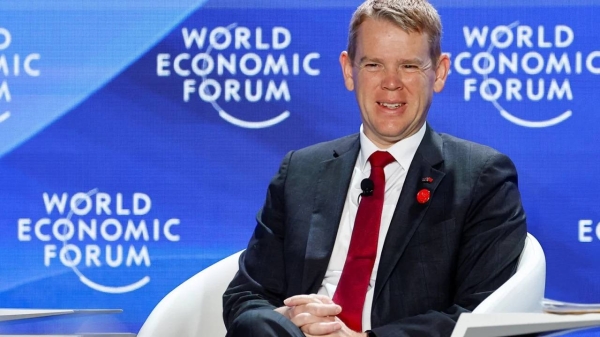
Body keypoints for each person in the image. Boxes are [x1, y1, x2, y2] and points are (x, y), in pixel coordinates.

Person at [223, 0, 527, 336]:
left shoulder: (481, 178)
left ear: (439, 72)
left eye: (410, 66)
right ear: (348, 70)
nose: (391, 83)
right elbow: (246, 295)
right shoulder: (301, 171)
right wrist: (290, 319)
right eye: (373, 65)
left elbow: (481, 312)